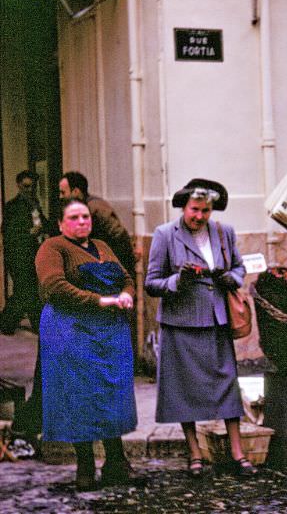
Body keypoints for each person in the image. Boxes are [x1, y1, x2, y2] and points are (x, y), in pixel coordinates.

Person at [144, 178, 256, 478]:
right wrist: (178, 280)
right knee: (184, 392)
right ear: (184, 206)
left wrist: (227, 277)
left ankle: (237, 453)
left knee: (227, 385)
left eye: (206, 211)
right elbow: (151, 283)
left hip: (217, 321)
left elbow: (239, 268)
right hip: (181, 323)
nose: (199, 217)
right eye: (195, 210)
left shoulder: (223, 232)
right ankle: (195, 453)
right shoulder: (165, 234)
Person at [35, 199, 137, 491]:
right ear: (60, 223)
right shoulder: (52, 247)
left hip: (108, 333)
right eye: (75, 217)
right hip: (72, 330)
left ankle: (116, 463)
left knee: (110, 394)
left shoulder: (103, 246)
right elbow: (53, 286)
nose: (82, 222)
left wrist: (127, 293)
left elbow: (126, 277)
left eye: (86, 217)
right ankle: (85, 465)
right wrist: (99, 300)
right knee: (80, 395)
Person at [59, 171, 137, 277]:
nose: (61, 196)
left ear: (76, 191)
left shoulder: (92, 208)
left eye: (63, 192)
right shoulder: (92, 205)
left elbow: (116, 235)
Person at [1, 170, 50, 334]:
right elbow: (8, 232)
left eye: (32, 187)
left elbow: (43, 223)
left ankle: (8, 324)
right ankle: (12, 324)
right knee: (25, 291)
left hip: (31, 254)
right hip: (18, 255)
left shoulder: (34, 205)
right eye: (26, 186)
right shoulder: (13, 206)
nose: (29, 190)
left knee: (25, 291)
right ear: (19, 185)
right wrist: (30, 232)